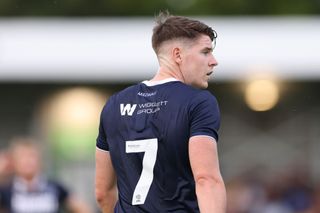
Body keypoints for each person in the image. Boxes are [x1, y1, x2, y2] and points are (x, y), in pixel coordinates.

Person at [95, 11, 226, 213]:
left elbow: (102, 193)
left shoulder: (113, 105)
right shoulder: (199, 102)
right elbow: (206, 180)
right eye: (205, 51)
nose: (214, 60)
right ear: (178, 55)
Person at [0, 137, 92, 213]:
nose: (27, 161)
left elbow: (81, 208)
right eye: (22, 157)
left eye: (31, 156)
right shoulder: (6, 190)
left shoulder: (55, 186)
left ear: (40, 160)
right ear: (14, 162)